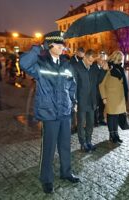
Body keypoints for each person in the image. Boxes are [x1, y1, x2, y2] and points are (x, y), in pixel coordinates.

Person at [19, 31, 80, 194]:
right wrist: (38, 48)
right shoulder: (40, 63)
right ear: (50, 45)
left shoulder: (66, 64)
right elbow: (24, 63)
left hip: (65, 112)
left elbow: (72, 84)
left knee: (65, 146)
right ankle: (46, 179)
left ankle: (66, 172)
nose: (63, 47)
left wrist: (73, 102)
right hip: (49, 113)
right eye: (59, 44)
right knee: (49, 148)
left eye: (63, 44)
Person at [73, 49, 104, 152]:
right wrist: (75, 101)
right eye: (90, 60)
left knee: (90, 123)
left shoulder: (93, 68)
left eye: (93, 61)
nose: (91, 63)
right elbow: (74, 85)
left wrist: (102, 69)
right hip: (81, 101)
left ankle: (89, 141)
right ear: (85, 57)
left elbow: (98, 81)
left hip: (92, 101)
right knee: (81, 124)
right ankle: (83, 143)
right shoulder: (77, 67)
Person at [99, 51, 129, 144]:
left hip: (119, 98)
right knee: (111, 117)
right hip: (111, 97)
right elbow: (101, 85)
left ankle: (116, 135)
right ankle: (112, 136)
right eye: (121, 59)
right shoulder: (109, 68)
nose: (122, 61)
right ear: (117, 59)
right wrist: (104, 97)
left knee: (116, 117)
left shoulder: (120, 68)